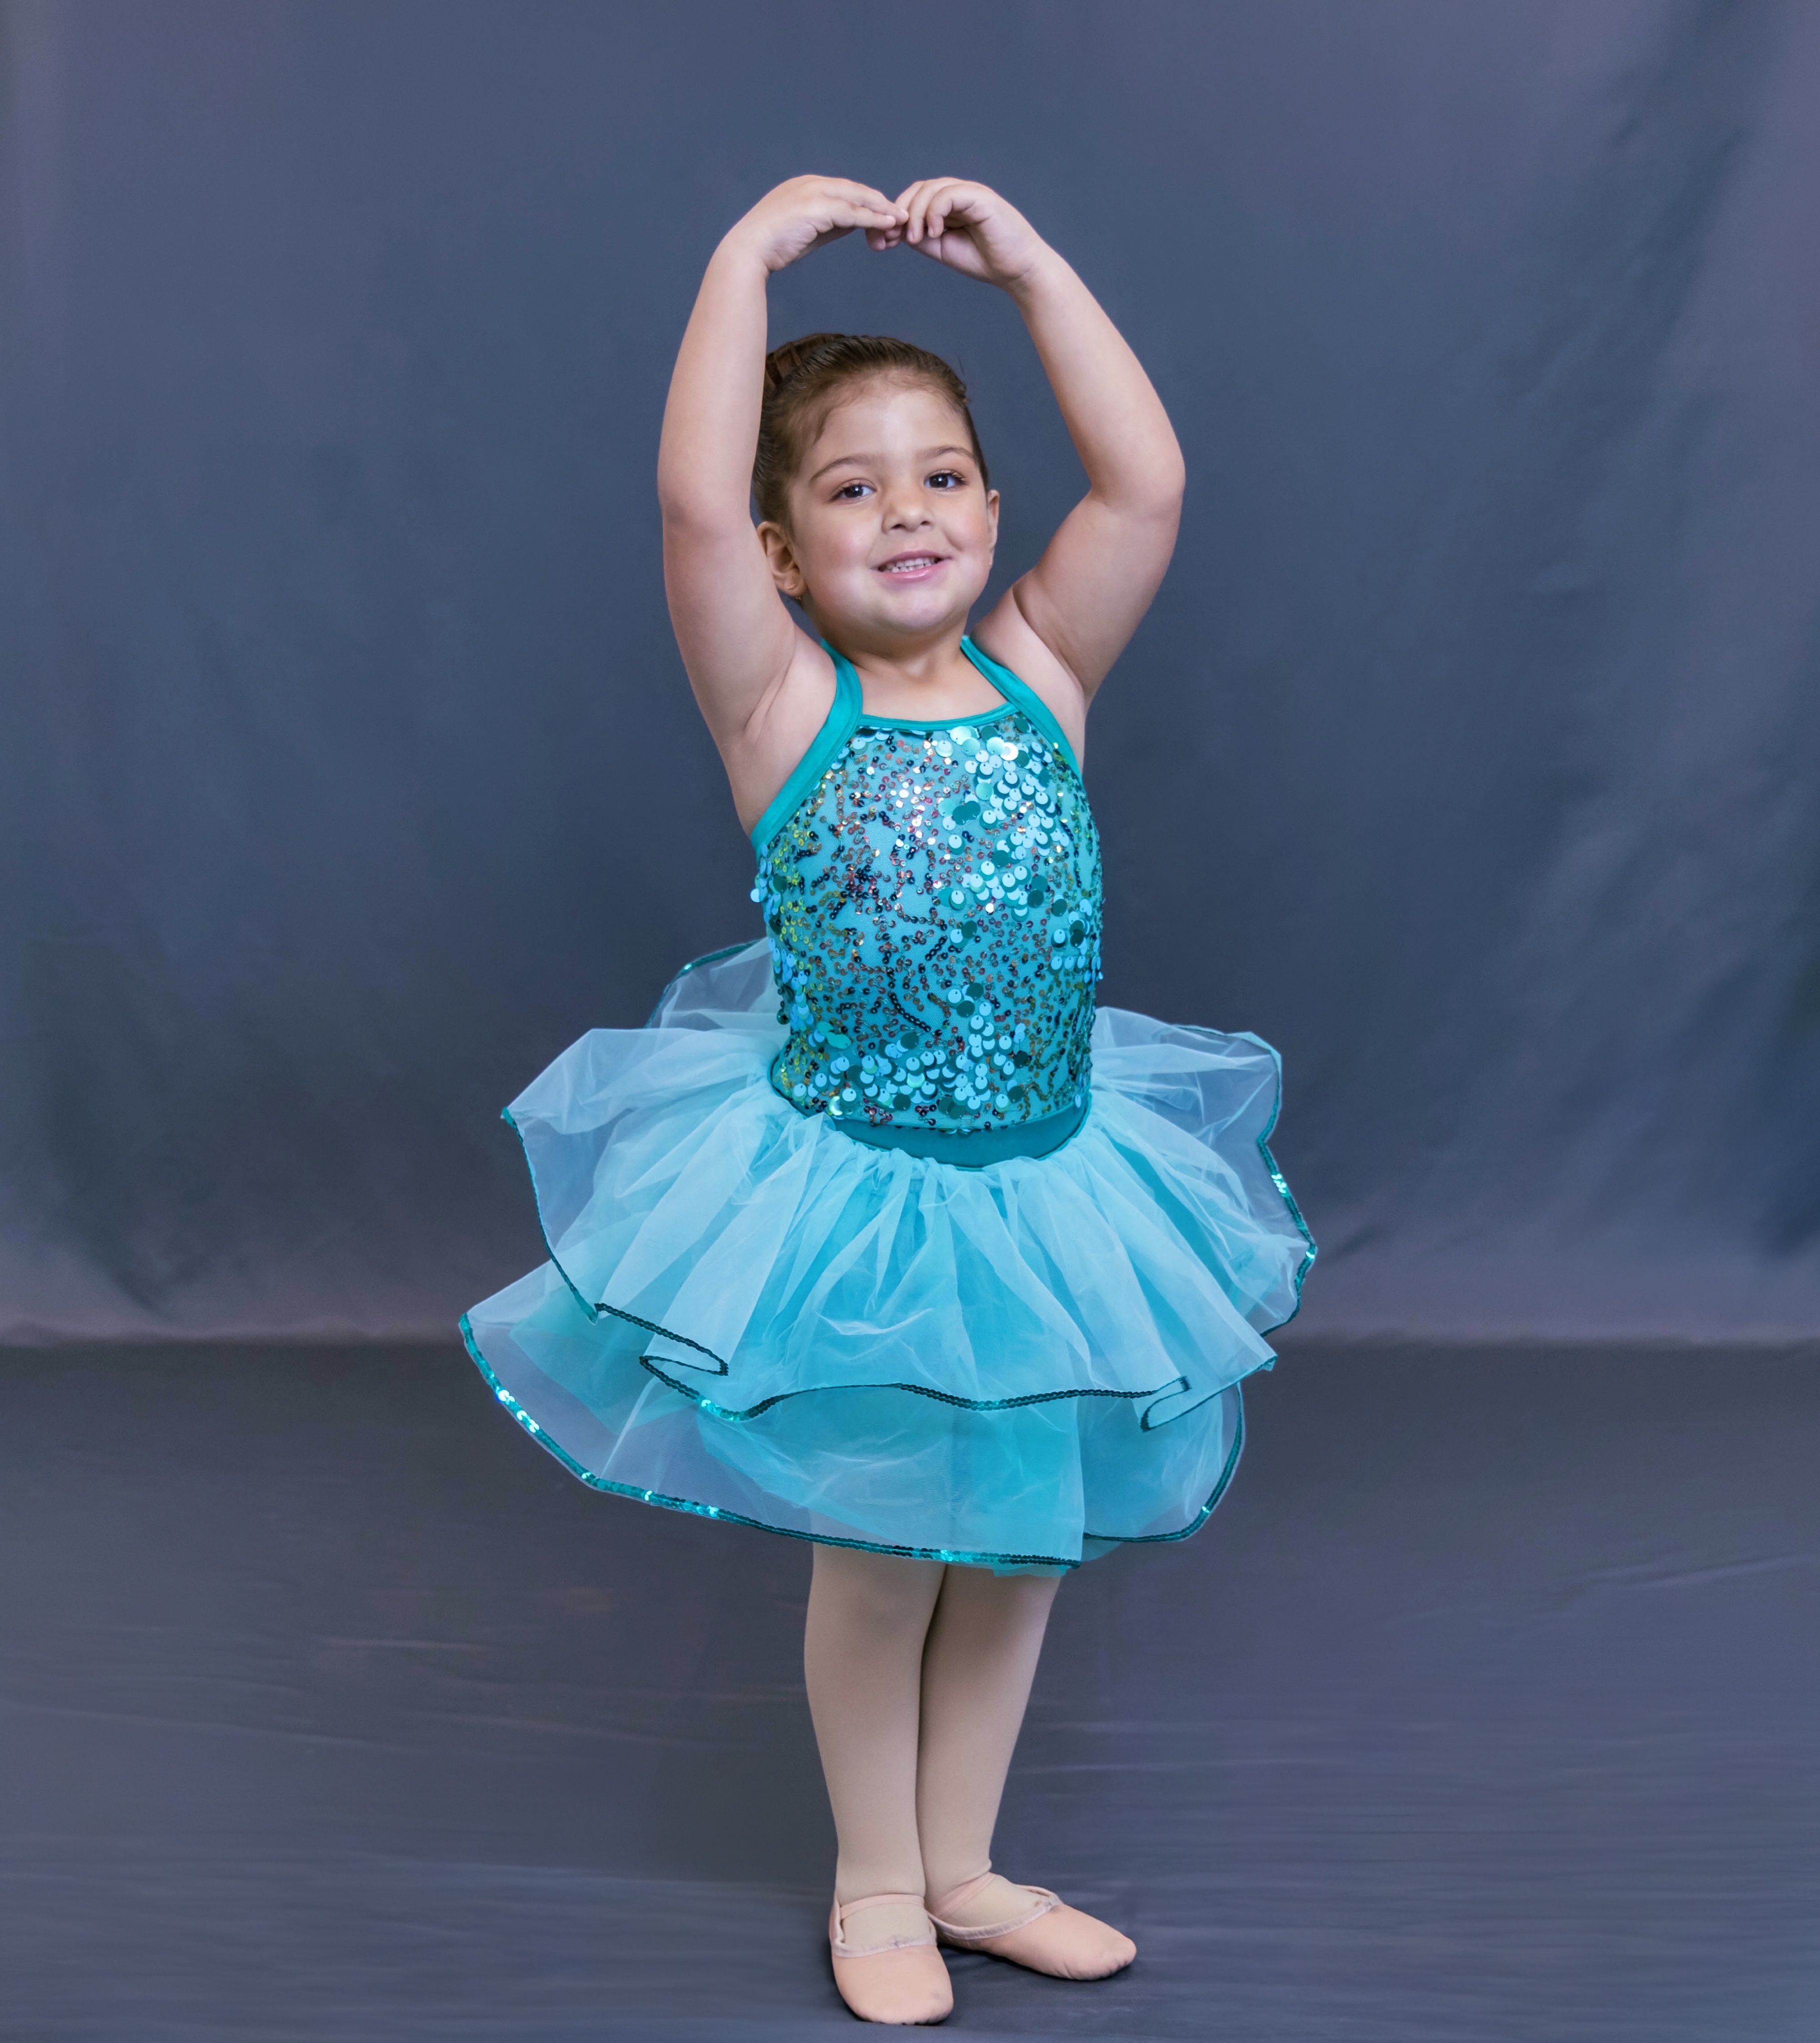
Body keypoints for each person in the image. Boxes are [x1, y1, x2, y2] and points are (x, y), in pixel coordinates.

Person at [462, 175, 1313, 2026]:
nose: (908, 510)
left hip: (1049, 1188)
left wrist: (1033, 270)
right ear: (783, 556)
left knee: (1014, 1557)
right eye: (852, 489)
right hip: (860, 1207)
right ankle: (873, 1885)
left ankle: (964, 1870)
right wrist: (739, 263)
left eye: (942, 477)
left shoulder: (1040, 670)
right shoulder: (782, 708)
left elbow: (1148, 484)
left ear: (995, 514)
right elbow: (691, 501)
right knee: (878, 1561)